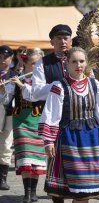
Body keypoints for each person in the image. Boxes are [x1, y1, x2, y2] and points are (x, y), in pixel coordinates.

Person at [38, 47, 99, 202]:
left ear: (86, 63)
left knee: (86, 191)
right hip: (69, 140)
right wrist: (49, 141)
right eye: (74, 61)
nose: (78, 65)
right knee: (71, 186)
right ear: (67, 63)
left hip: (92, 139)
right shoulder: (59, 86)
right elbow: (52, 114)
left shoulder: (94, 84)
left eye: (81, 61)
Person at [32, 24, 72, 203]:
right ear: (52, 41)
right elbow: (36, 91)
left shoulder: (80, 58)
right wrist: (58, 87)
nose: (63, 41)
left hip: (76, 117)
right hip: (55, 118)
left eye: (66, 38)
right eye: (59, 38)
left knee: (75, 159)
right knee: (56, 161)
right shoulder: (43, 62)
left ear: (70, 40)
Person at [0, 49, 46, 203]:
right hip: (20, 120)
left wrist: (22, 85)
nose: (36, 66)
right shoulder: (17, 78)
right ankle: (27, 192)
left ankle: (33, 192)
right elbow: (6, 100)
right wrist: (2, 89)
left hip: (38, 121)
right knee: (26, 155)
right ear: (24, 63)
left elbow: (36, 96)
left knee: (36, 158)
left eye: (38, 63)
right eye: (33, 63)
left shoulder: (43, 81)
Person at [0, 45, 16, 190]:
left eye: (6, 58)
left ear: (11, 59)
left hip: (7, 114)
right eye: (0, 57)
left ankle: (2, 178)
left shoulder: (13, 76)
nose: (2, 60)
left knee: (5, 146)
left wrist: (3, 90)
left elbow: (7, 99)